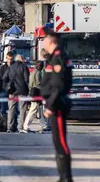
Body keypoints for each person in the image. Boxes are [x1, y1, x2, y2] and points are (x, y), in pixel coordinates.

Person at [41, 29, 74, 182]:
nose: (43, 42)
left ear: (51, 40)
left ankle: (66, 177)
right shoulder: (55, 56)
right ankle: (63, 176)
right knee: (57, 141)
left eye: (44, 39)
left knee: (60, 141)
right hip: (56, 104)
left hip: (57, 106)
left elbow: (58, 86)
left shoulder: (58, 58)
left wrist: (50, 105)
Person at [4, 54, 30, 133]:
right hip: (22, 90)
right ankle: (21, 127)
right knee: (22, 108)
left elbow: (4, 78)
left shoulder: (10, 67)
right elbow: (26, 79)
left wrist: (8, 85)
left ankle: (10, 127)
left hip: (12, 91)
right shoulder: (24, 67)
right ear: (21, 59)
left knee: (11, 109)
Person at [23, 60, 44, 133]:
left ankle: (43, 125)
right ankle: (26, 126)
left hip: (32, 92)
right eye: (41, 65)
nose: (42, 67)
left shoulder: (33, 72)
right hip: (36, 93)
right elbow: (38, 83)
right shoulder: (38, 73)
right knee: (33, 110)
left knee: (36, 110)